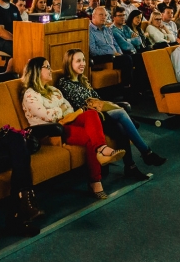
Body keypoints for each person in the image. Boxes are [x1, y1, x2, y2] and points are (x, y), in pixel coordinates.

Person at [22, 57, 125, 199]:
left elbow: (69, 108)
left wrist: (60, 112)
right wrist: (60, 109)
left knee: (91, 113)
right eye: (47, 67)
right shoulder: (30, 94)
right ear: (37, 71)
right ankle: (95, 181)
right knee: (91, 137)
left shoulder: (54, 90)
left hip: (66, 122)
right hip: (51, 131)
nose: (51, 70)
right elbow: (47, 116)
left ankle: (101, 148)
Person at [57, 49, 166, 177]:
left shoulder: (83, 80)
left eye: (84, 60)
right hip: (86, 119)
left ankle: (131, 166)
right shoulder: (64, 82)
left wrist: (101, 104)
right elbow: (81, 104)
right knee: (121, 114)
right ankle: (145, 153)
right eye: (78, 61)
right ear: (69, 63)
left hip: (99, 115)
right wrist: (98, 105)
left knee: (121, 127)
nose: (83, 64)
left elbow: (97, 99)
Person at [89, 6, 134, 93]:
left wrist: (120, 54)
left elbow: (115, 44)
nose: (104, 17)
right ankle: (128, 91)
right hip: (103, 59)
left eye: (105, 15)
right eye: (101, 15)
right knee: (127, 59)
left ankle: (141, 88)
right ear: (93, 16)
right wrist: (112, 53)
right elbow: (93, 51)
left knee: (137, 57)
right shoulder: (89, 31)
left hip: (115, 56)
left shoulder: (107, 29)